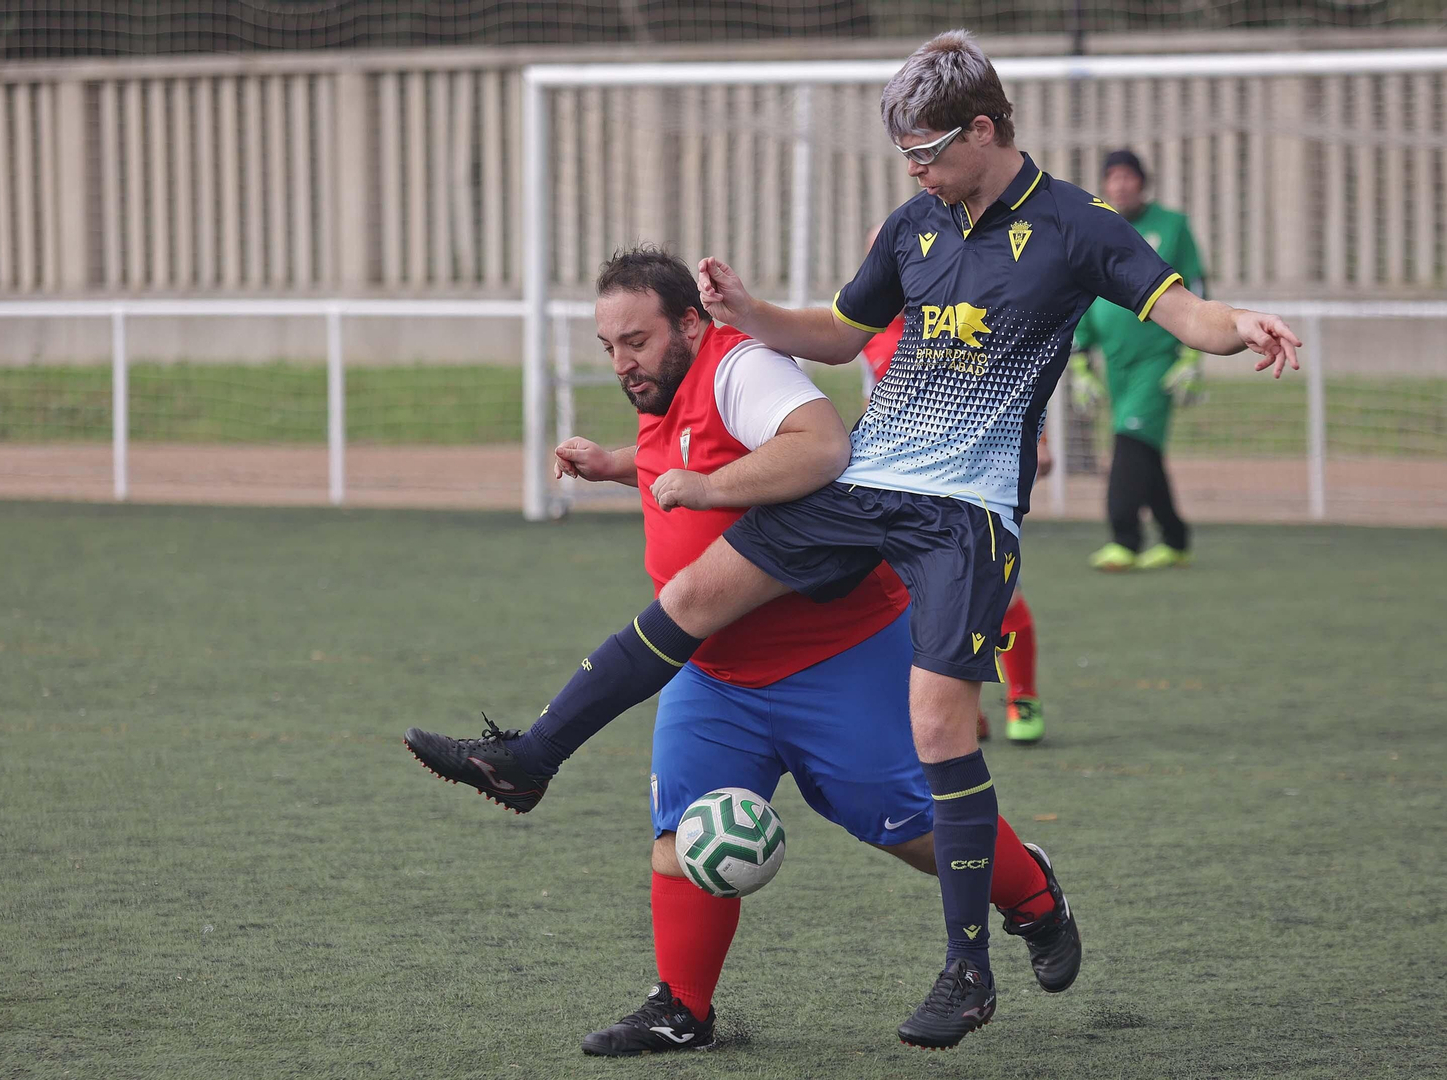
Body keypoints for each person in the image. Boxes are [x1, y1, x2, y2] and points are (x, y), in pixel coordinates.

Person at [404, 29, 1299, 1051]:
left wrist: (1243, 327)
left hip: (964, 513)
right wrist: (750, 311)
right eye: (904, 156)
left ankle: (968, 969)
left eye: (926, 150)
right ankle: (529, 759)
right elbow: (837, 330)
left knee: (936, 727)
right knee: (698, 593)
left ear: (984, 128)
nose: (914, 171)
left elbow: (1181, 310)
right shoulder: (916, 222)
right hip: (868, 487)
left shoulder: (1075, 225)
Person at [496, 247, 1077, 1056]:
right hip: (715, 672)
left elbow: (816, 448)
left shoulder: (747, 368)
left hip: (833, 656)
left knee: (912, 829)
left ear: (691, 323)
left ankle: (1035, 897)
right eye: (610, 346)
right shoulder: (663, 384)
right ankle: (681, 1009)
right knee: (680, 836)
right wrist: (617, 466)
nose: (623, 361)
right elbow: (692, 455)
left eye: (636, 339)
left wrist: (696, 490)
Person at [858, 224, 1049, 745]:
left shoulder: (964, 312)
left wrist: (1040, 439)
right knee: (920, 612)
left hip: (971, 490)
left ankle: (1022, 697)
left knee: (999, 601)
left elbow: (1010, 380)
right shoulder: (871, 330)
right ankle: (961, 712)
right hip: (900, 491)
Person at [1068, 149, 1207, 571]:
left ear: (1142, 182)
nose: (1120, 185)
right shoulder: (1098, 228)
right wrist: (1080, 364)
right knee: (1142, 448)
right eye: (1113, 177)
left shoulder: (1172, 226)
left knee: (1129, 445)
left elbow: (1197, 285)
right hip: (1116, 365)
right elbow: (1085, 292)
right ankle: (1175, 538)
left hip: (1158, 360)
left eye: (1128, 176)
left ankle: (1124, 539)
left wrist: (1191, 357)